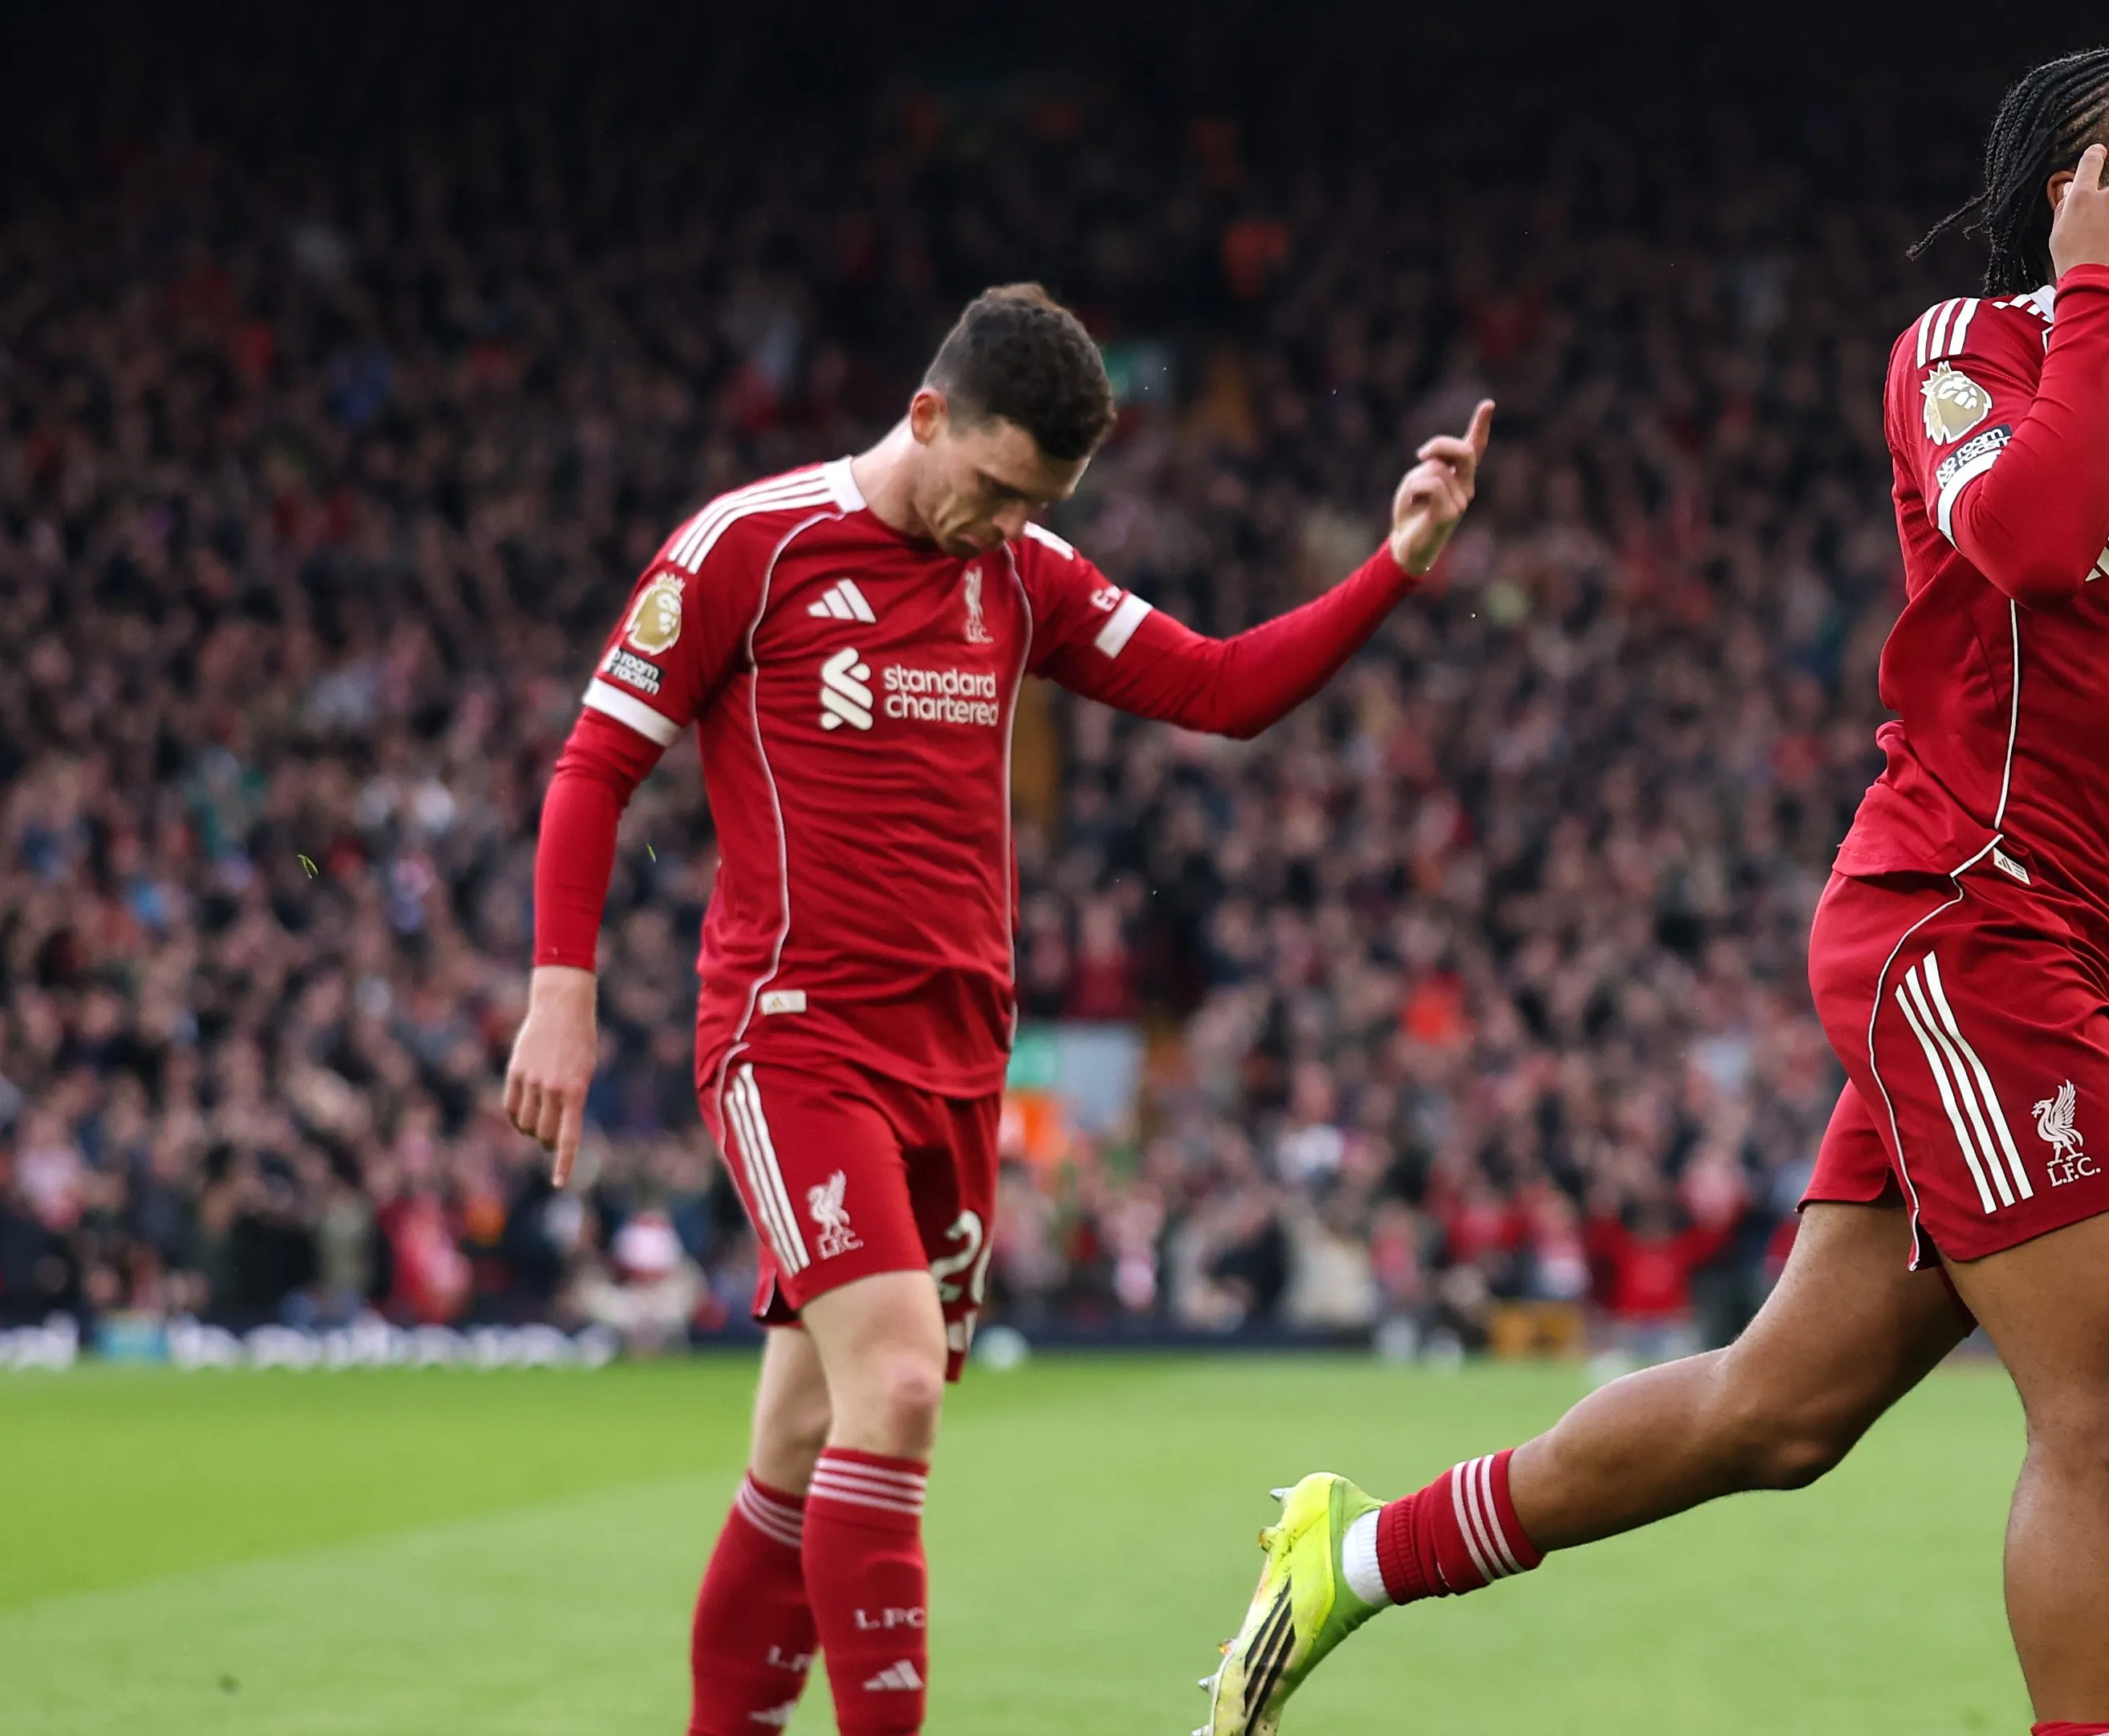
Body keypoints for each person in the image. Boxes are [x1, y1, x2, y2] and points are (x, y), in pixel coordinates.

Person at [1198, 47, 2109, 1736]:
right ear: (2081, 194)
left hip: (2071, 964)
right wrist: (2089, 300)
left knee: (1774, 1413)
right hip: (1963, 919)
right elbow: (2025, 540)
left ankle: (1350, 1558)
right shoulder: (1967, 352)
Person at [500, 282, 1492, 1736]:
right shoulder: (750, 547)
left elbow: (1221, 690)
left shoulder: (1023, 575)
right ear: (926, 415)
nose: (1006, 524)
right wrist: (561, 995)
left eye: (1038, 503)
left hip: (958, 1066)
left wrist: (1395, 566)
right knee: (896, 1389)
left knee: (800, 1439)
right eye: (995, 487)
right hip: (797, 1040)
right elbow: (595, 765)